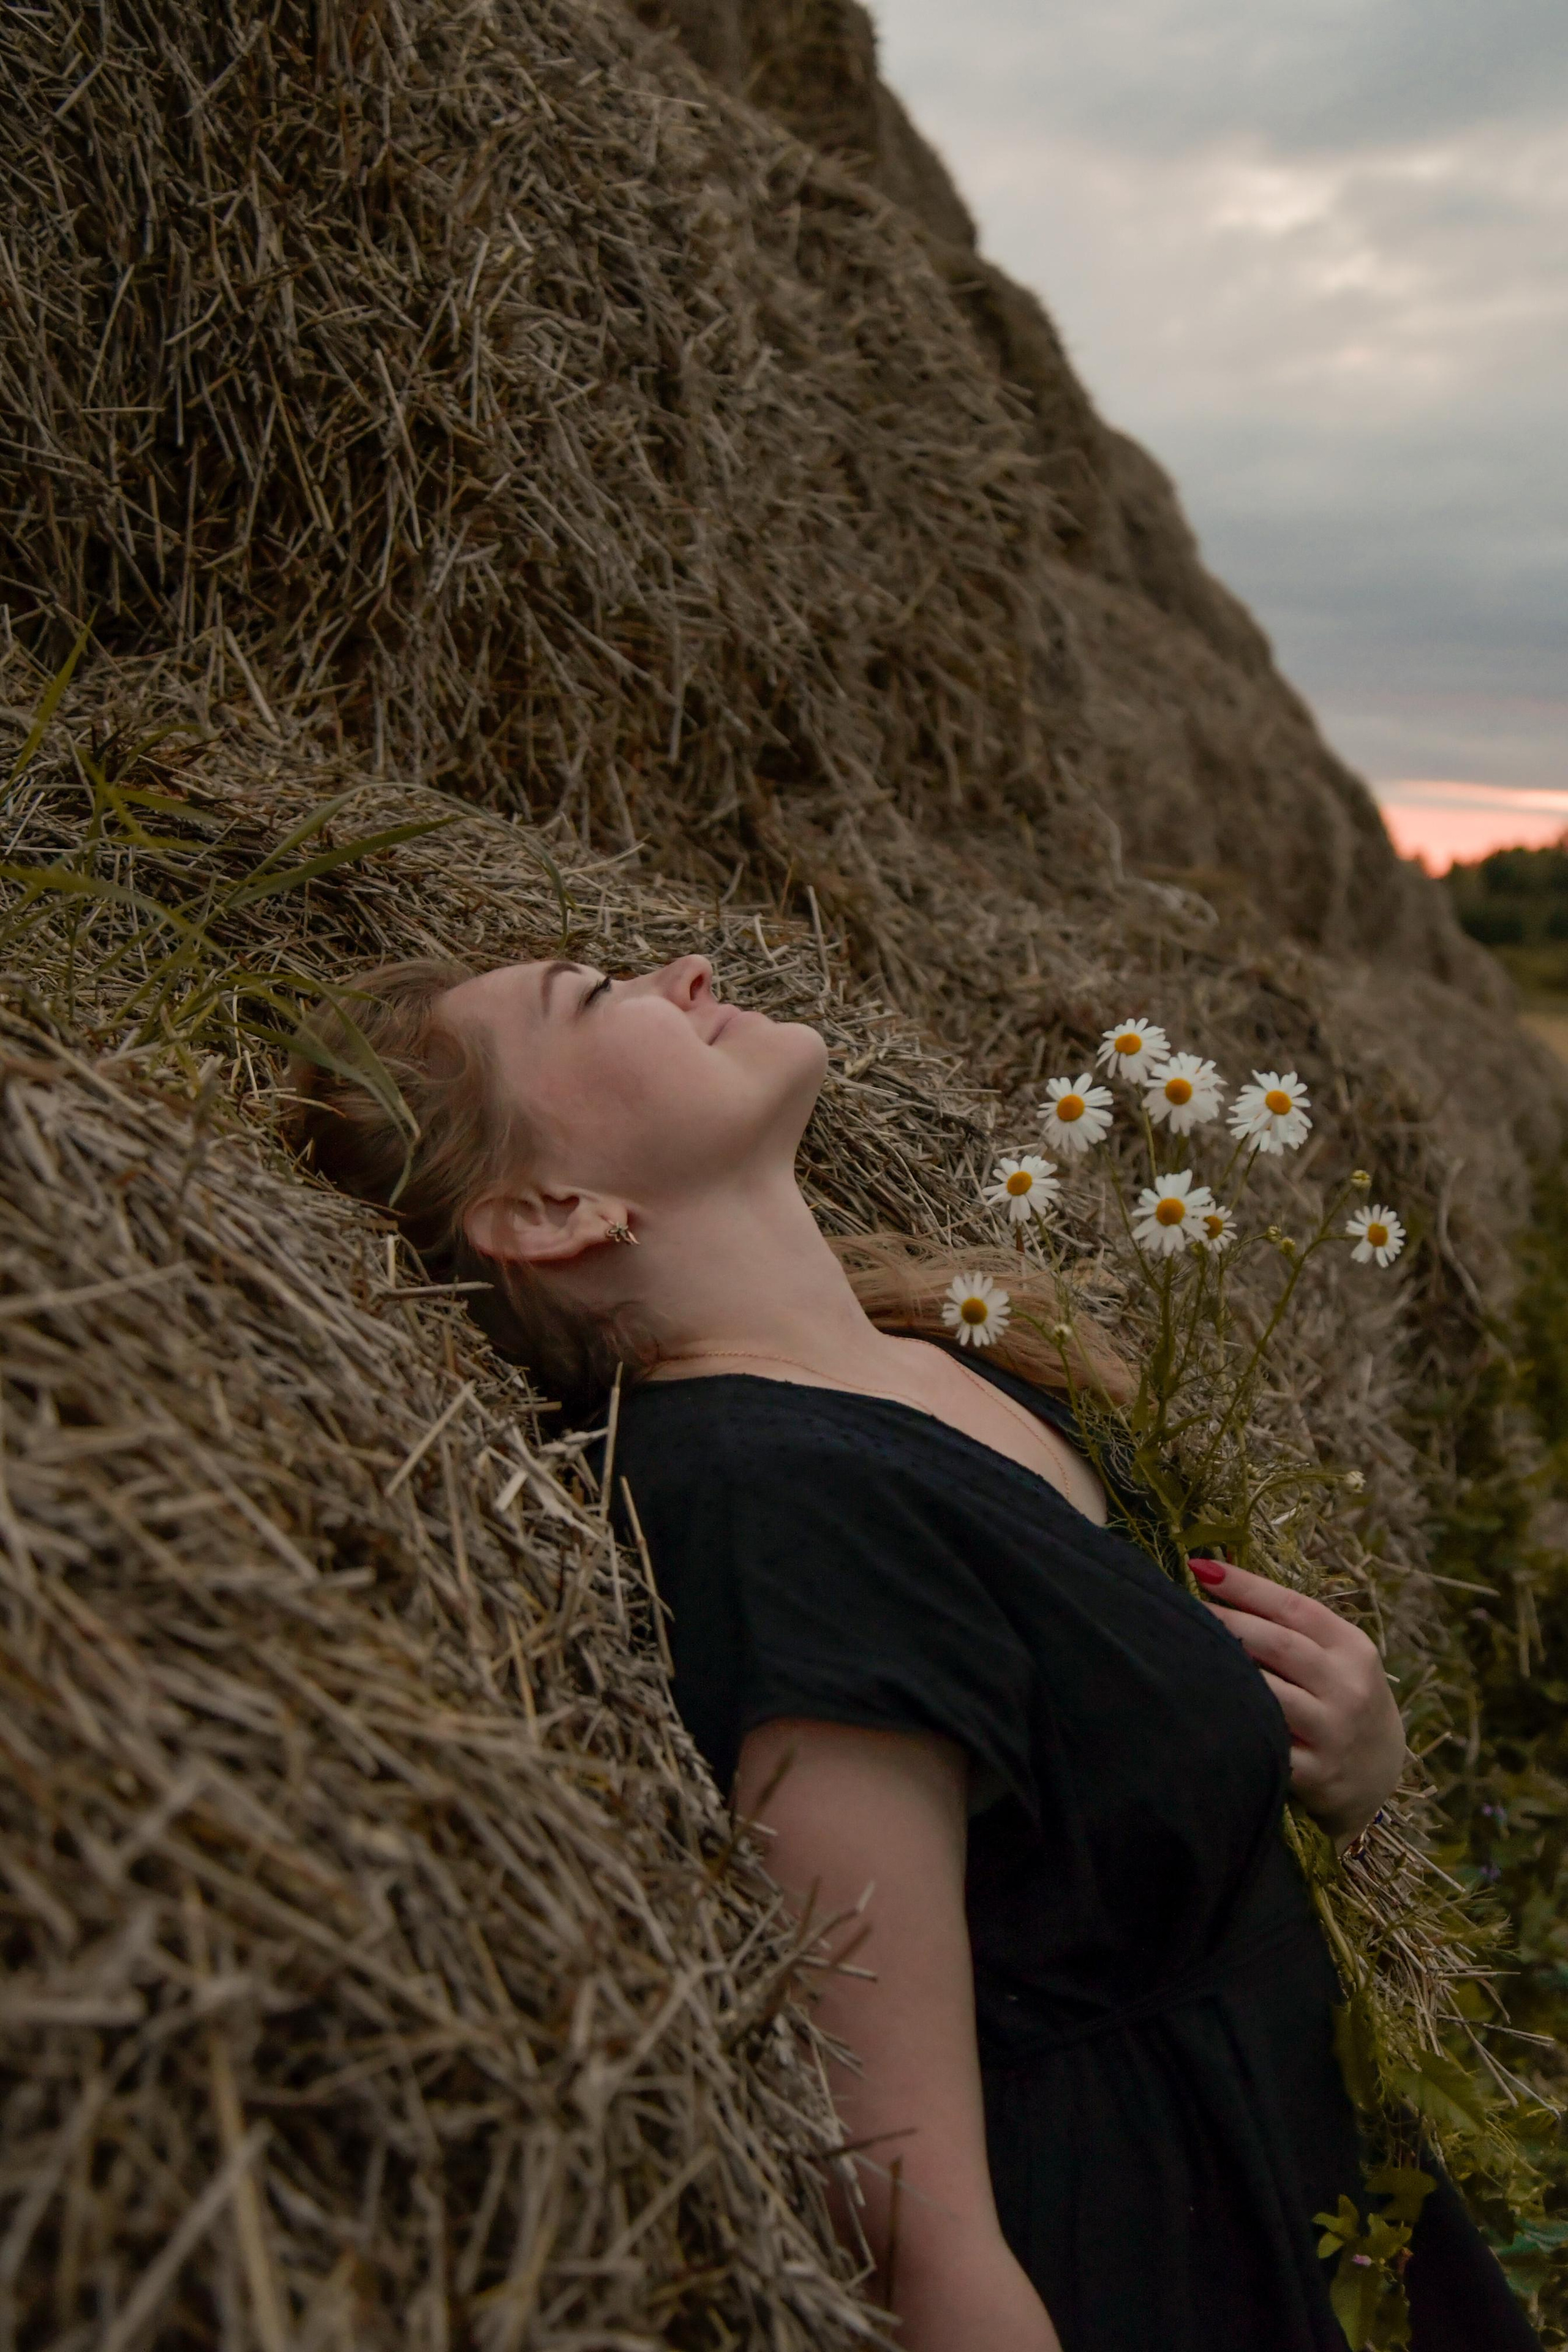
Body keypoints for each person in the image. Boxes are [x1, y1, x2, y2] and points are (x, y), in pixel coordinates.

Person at [290, 950, 1539, 2352]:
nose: (687, 966)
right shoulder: (776, 1507)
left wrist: (1343, 1759)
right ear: (549, 1210)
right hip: (1152, 2255)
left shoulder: (958, 1362)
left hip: (1302, 2182)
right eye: (591, 997)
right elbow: (901, 2206)